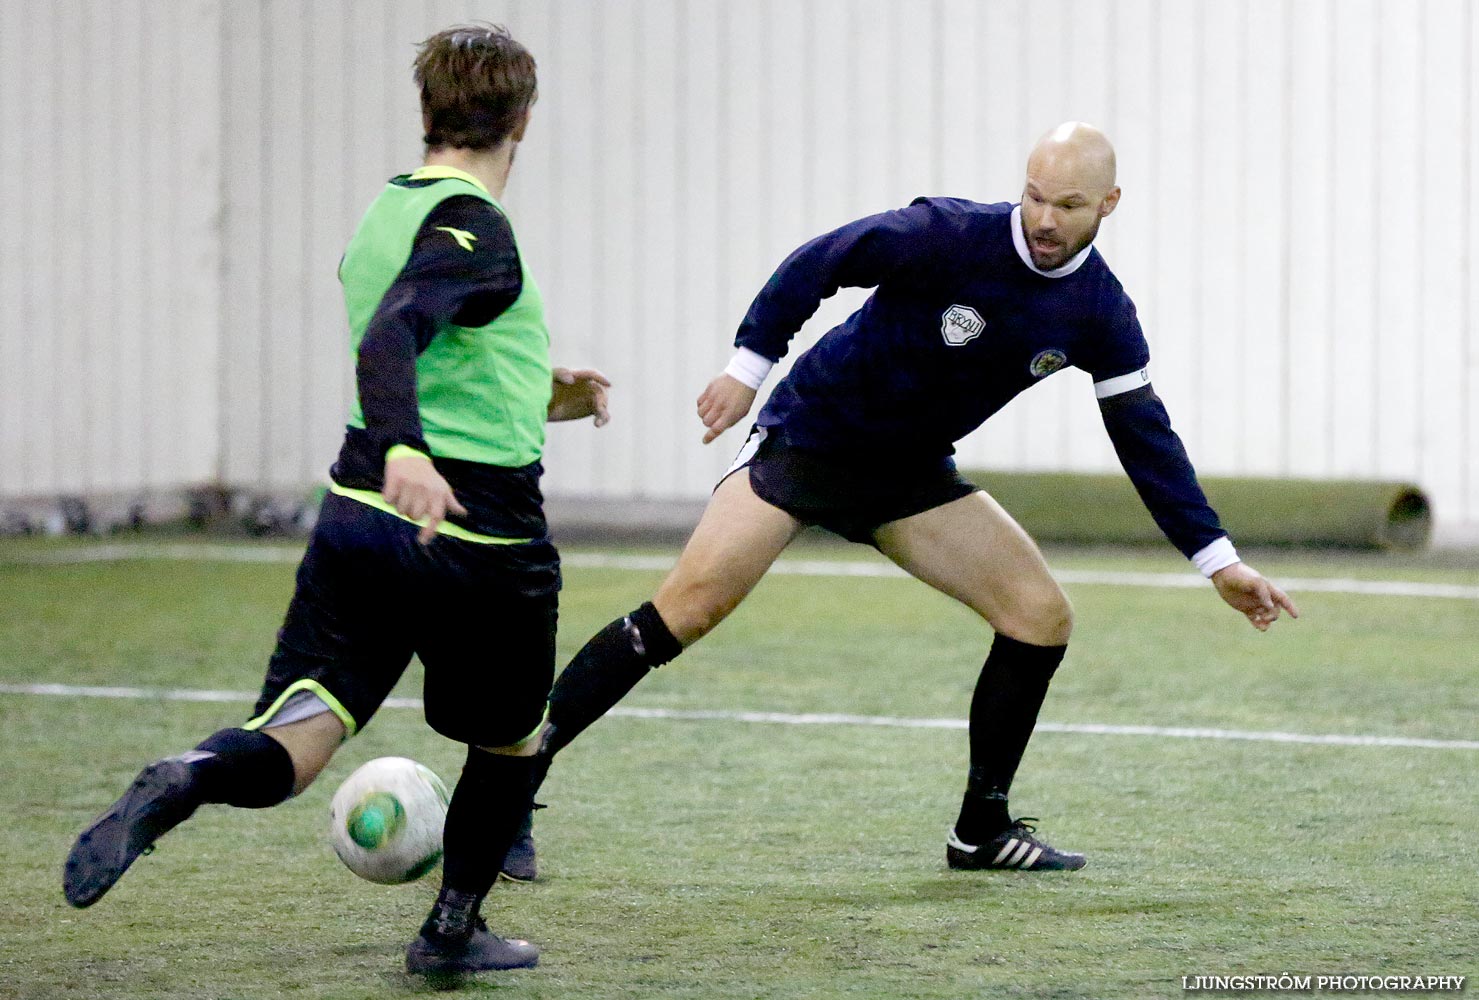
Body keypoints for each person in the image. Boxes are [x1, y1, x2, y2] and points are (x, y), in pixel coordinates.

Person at [530, 121, 1298, 872]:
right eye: (1032, 196)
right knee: (683, 614)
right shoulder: (946, 233)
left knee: (1039, 618)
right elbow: (819, 261)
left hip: (908, 474)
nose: (1043, 219)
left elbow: (1144, 436)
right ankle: (512, 787)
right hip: (810, 439)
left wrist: (1216, 560)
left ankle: (980, 829)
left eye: (1066, 204)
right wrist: (747, 366)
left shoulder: (1098, 310)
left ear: (1109, 203)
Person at [62, 24, 608, 976]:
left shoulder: (381, 216)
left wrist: (547, 391)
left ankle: (188, 777)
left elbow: (424, 347)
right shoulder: (479, 227)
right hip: (473, 534)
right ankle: (451, 935)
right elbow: (393, 335)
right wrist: (409, 443)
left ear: (427, 112)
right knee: (514, 738)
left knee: (297, 738)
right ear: (523, 117)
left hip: (358, 514)